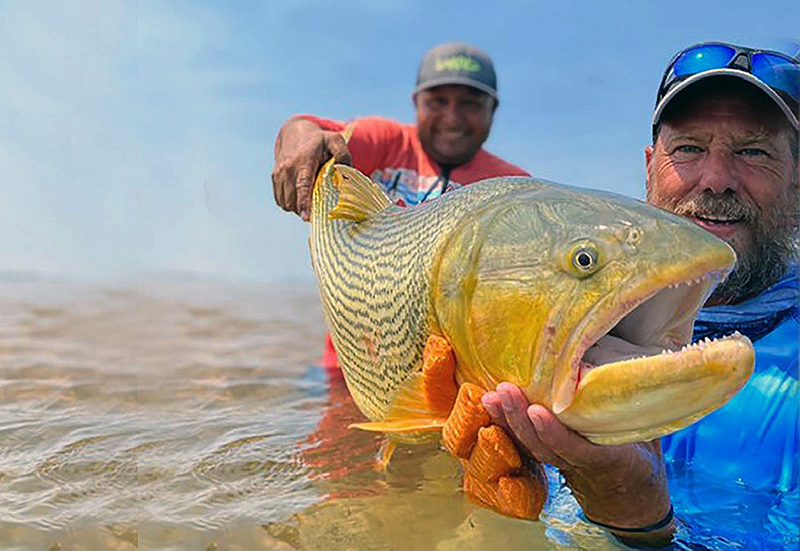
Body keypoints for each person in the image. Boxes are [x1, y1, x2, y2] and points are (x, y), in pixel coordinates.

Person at [481, 42, 799, 548]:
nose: (716, 180)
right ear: (651, 167)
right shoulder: (558, 313)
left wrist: (637, 520)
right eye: (689, 148)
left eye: (753, 152)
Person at [271, 41, 528, 369]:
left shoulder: (512, 187)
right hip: (350, 368)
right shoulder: (386, 142)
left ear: (493, 108)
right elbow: (312, 132)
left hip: (454, 378)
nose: (452, 117)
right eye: (437, 101)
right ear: (416, 103)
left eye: (470, 103)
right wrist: (300, 137)